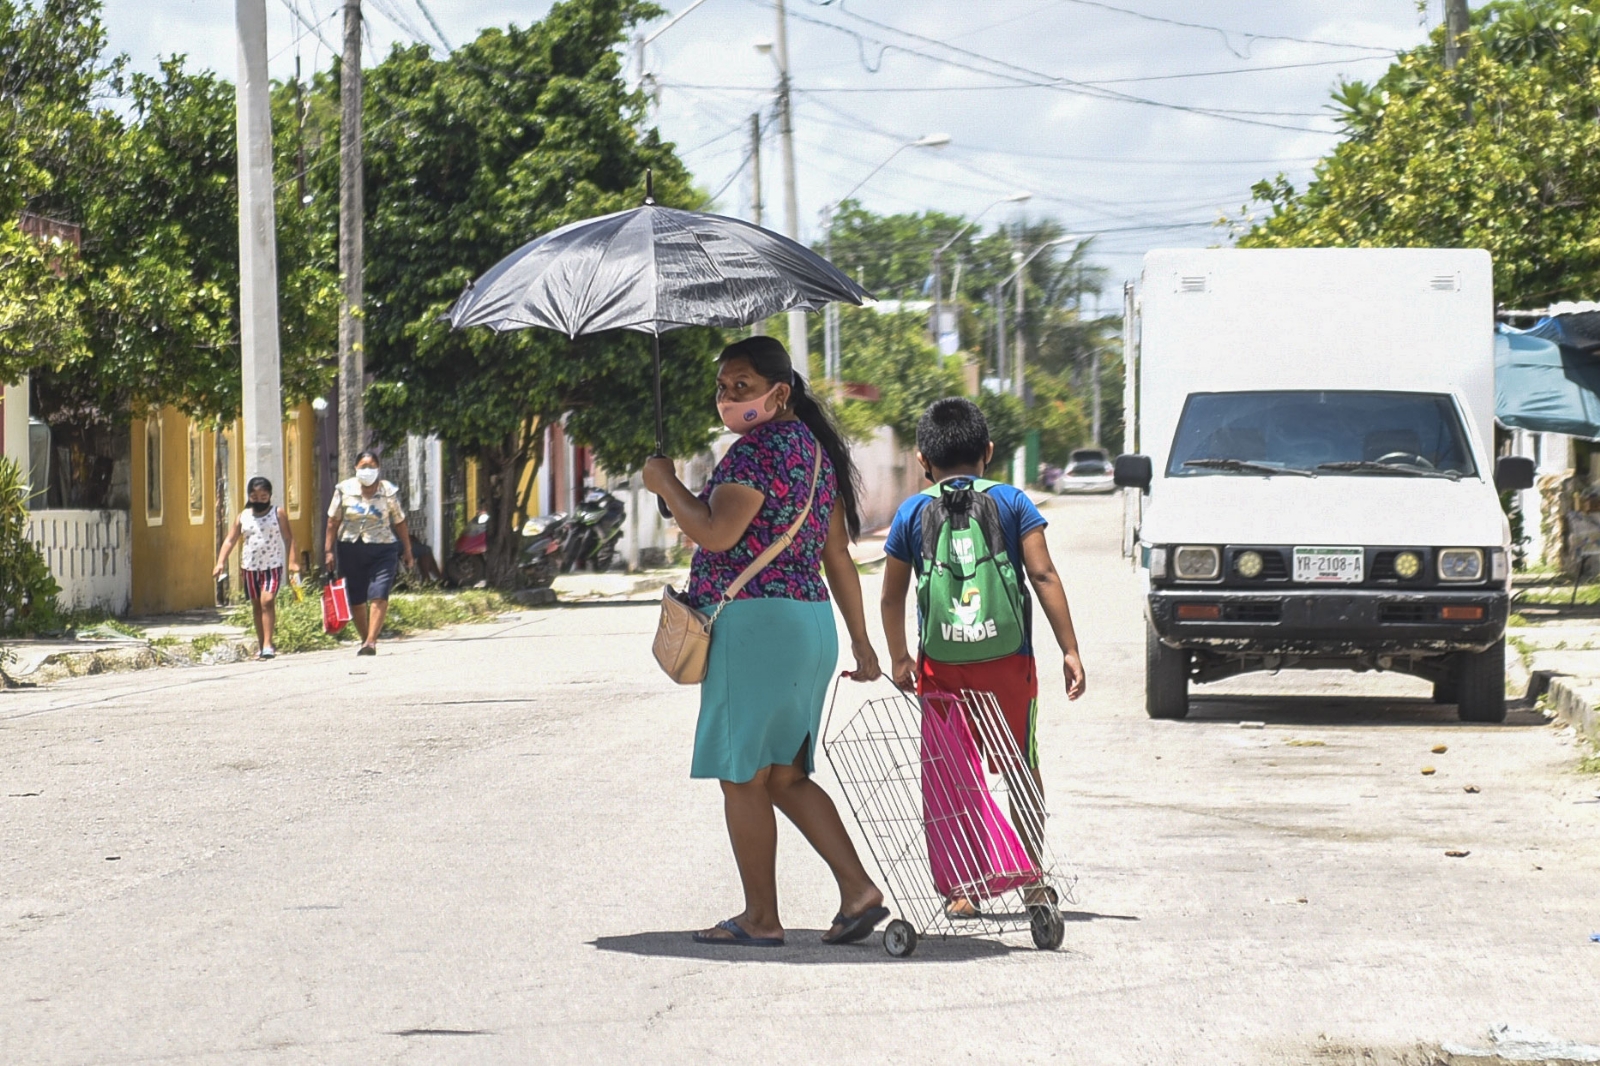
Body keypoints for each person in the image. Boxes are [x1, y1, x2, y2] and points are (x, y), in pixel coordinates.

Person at [642, 336, 889, 949]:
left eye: (742, 386)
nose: (728, 397)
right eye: (723, 387)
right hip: (809, 625)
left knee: (743, 777)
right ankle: (858, 892)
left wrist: (667, 485)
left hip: (754, 627)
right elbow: (837, 555)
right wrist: (861, 643)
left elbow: (717, 534)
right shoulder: (813, 454)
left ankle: (760, 918)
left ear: (779, 393)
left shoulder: (753, 454)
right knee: (784, 776)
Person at [879, 397, 1087, 912]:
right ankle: (1033, 878)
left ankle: (965, 888)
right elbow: (1042, 574)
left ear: (923, 460)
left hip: (941, 664)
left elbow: (891, 595)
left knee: (953, 772)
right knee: (1020, 766)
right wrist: (1070, 648)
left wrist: (900, 657)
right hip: (1008, 661)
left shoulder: (911, 511)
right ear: (988, 452)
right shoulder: (1014, 502)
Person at [325, 450, 414, 656]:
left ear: (378, 468)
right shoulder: (343, 490)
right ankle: (365, 639)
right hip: (350, 547)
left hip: (383, 548)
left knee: (379, 594)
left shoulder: (388, 491)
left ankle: (371, 641)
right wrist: (328, 550)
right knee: (356, 597)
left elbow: (399, 521)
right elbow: (333, 521)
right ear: (356, 468)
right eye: (363, 466)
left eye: (372, 466)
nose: (367, 470)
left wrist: (407, 549)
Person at [213, 476, 299, 660]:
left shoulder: (278, 513)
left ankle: (268, 644)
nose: (259, 500)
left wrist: (293, 562)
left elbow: (289, 538)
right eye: (254, 496)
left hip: (272, 566)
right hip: (250, 568)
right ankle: (262, 645)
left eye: (263, 496)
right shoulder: (243, 517)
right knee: (257, 606)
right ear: (249, 496)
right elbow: (230, 540)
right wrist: (221, 562)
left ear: (269, 496)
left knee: (267, 601)